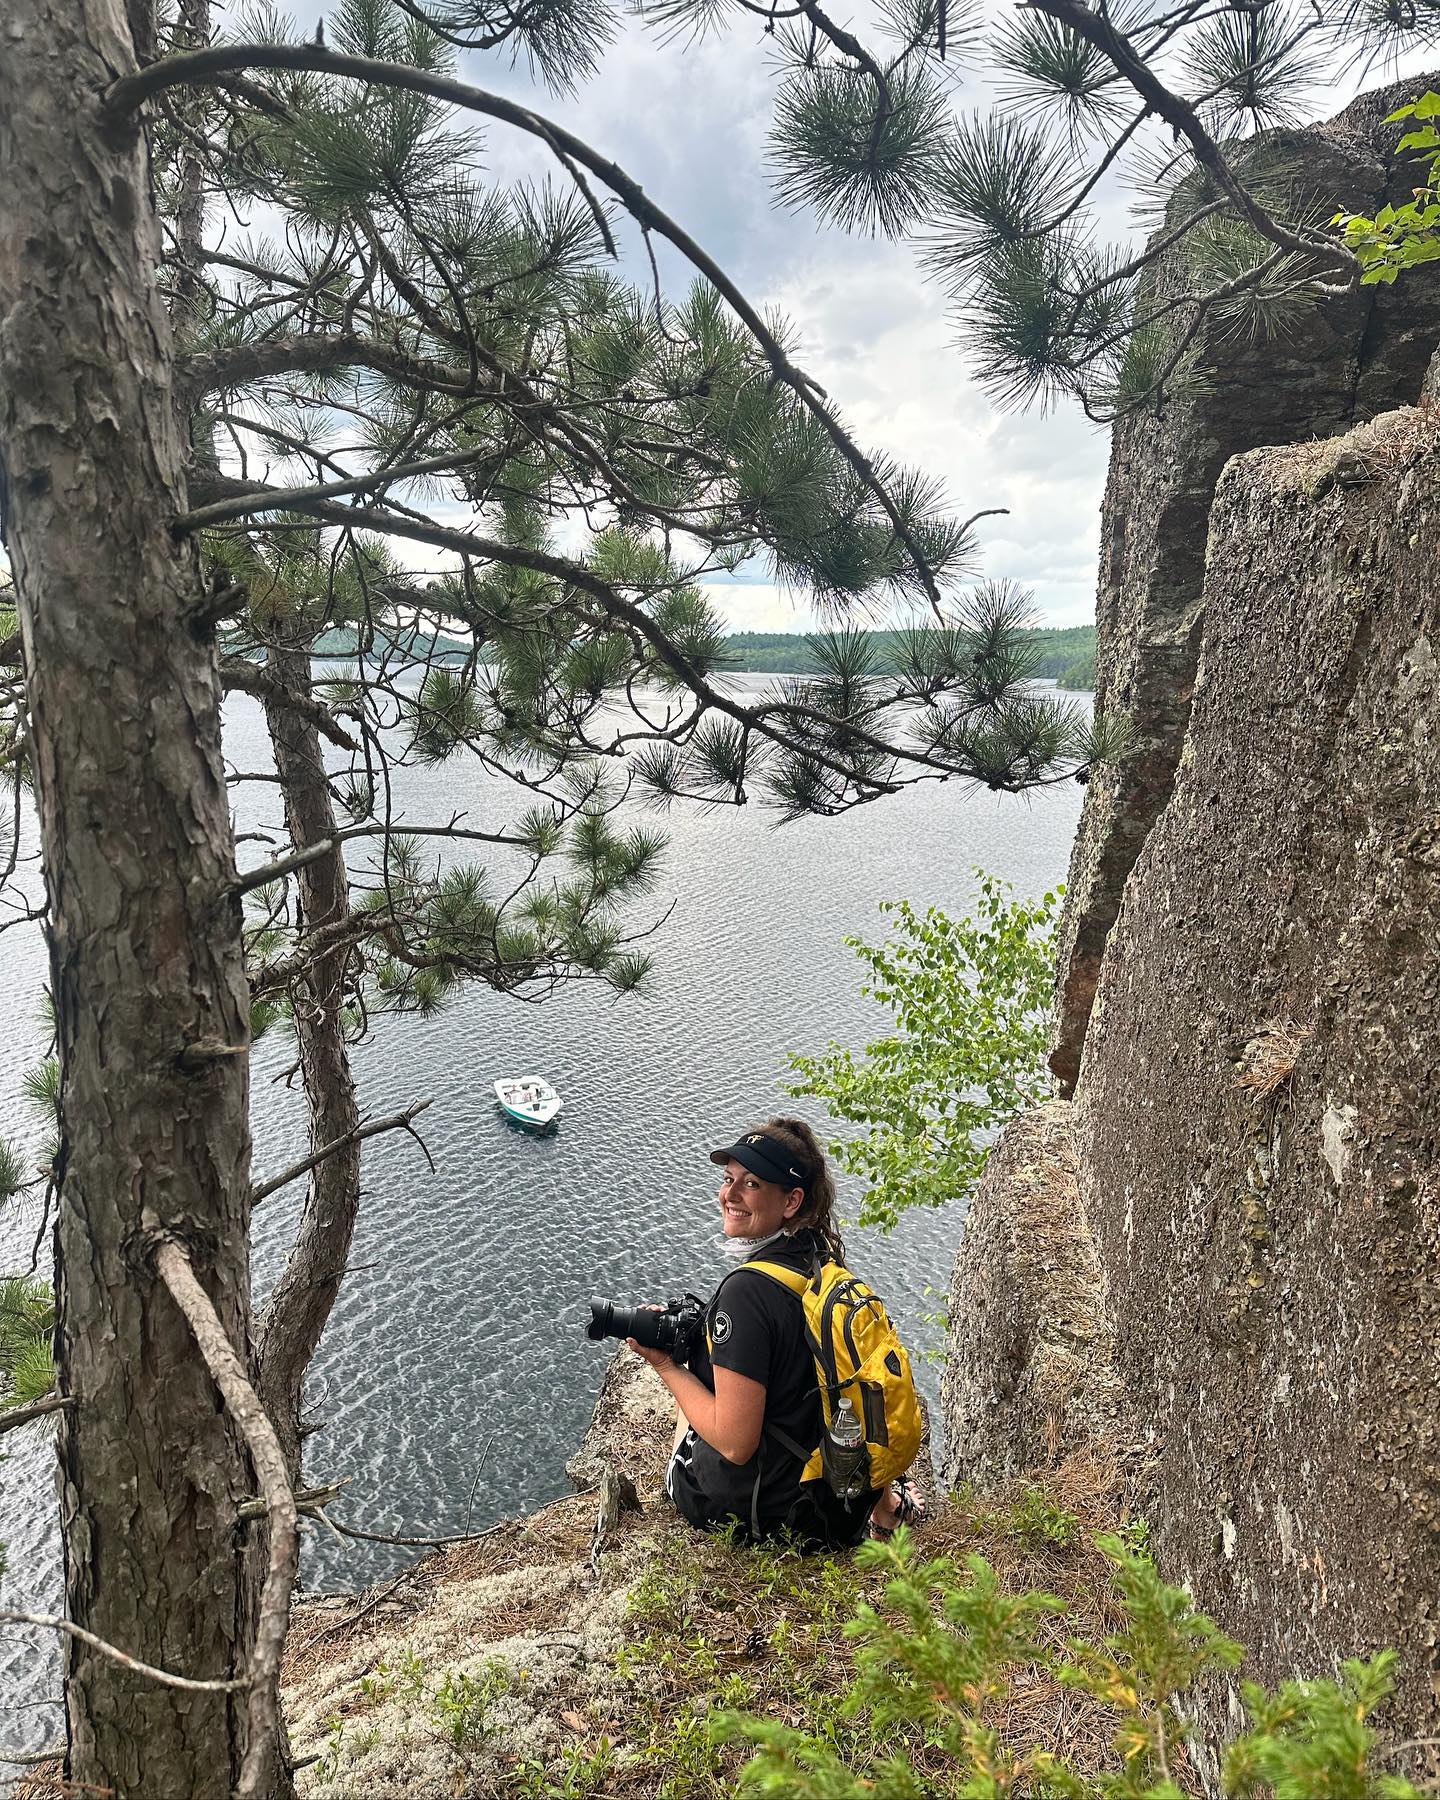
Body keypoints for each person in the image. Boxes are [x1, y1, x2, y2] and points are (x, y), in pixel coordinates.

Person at [626, 1116, 926, 1549]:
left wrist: (665, 1363)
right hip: (834, 1508)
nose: (728, 1195)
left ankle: (684, 1478)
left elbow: (735, 1445)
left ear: (791, 1202)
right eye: (729, 1180)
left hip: (777, 1522)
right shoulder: (820, 1259)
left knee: (692, 1388)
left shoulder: (745, 1294)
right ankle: (886, 1509)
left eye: (751, 1185)